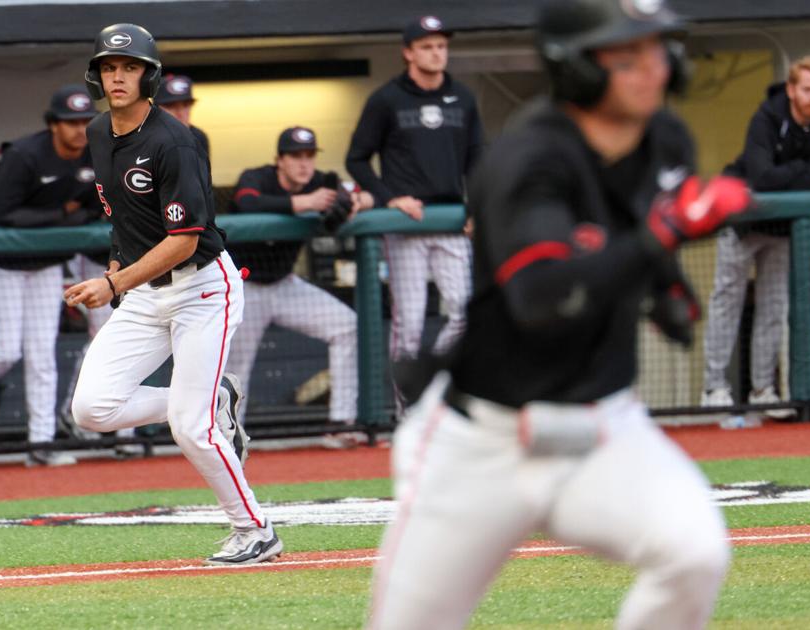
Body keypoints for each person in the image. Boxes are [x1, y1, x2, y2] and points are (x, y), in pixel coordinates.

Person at [368, 1, 750, 628]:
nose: (652, 69)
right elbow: (542, 299)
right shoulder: (528, 157)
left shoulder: (665, 138)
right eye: (626, 56)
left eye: (656, 50)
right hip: (482, 439)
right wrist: (663, 237)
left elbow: (626, 230)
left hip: (603, 426)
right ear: (575, 67)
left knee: (694, 554)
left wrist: (663, 283)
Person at [65, 23, 281, 565]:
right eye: (109, 68)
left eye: (130, 67)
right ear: (96, 77)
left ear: (149, 77)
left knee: (191, 428)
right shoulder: (97, 132)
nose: (118, 76)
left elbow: (184, 240)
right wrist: (118, 265)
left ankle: (254, 531)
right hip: (143, 289)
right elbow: (121, 215)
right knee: (91, 409)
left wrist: (113, 282)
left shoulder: (174, 141)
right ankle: (214, 398)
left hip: (202, 288)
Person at [0, 85, 101, 466]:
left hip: (45, 263)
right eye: (70, 122)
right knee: (3, 352)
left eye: (85, 121)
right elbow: (1, 214)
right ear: (53, 125)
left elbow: (94, 209)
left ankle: (41, 442)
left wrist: (65, 216)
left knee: (42, 354)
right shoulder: (25, 155)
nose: (79, 129)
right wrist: (61, 214)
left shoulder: (96, 154)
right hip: (1, 261)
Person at [700, 56, 810, 417]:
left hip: (782, 226)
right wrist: (798, 168)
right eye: (807, 89)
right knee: (727, 300)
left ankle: (763, 389)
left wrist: (791, 174)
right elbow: (761, 176)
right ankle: (714, 387)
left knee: (773, 304)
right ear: (792, 89)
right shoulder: (766, 117)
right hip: (743, 219)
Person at [346, 14, 484, 378]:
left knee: (466, 314)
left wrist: (476, 207)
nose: (437, 53)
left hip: (451, 222)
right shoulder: (386, 99)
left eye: (441, 46)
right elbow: (356, 159)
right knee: (409, 326)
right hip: (406, 224)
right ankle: (407, 406)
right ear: (408, 52)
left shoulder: (463, 98)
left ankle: (431, 379)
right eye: (427, 46)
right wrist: (390, 198)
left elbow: (477, 159)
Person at [225, 126, 370, 448]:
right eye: (295, 156)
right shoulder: (257, 177)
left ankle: (341, 422)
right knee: (236, 368)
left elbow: (358, 195)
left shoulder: (321, 181)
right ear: (280, 160)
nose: (304, 163)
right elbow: (247, 203)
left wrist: (354, 202)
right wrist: (305, 202)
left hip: (285, 283)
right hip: (245, 286)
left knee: (347, 325)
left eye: (309, 156)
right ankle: (229, 439)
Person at [156, 74, 209, 156]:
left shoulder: (198, 136)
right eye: (170, 105)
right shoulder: (144, 137)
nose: (180, 113)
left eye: (185, 105)